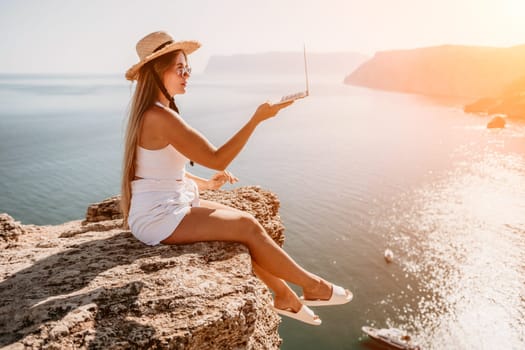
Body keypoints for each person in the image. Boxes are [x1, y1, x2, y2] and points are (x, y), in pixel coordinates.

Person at [121, 31, 352, 325]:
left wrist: (205, 184)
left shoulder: (156, 112)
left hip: (167, 203)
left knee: (245, 224)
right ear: (157, 71)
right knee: (246, 225)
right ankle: (314, 286)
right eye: (180, 68)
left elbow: (157, 169)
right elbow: (218, 158)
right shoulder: (159, 117)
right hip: (158, 217)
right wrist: (257, 119)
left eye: (188, 68)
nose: (187, 75)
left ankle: (284, 296)